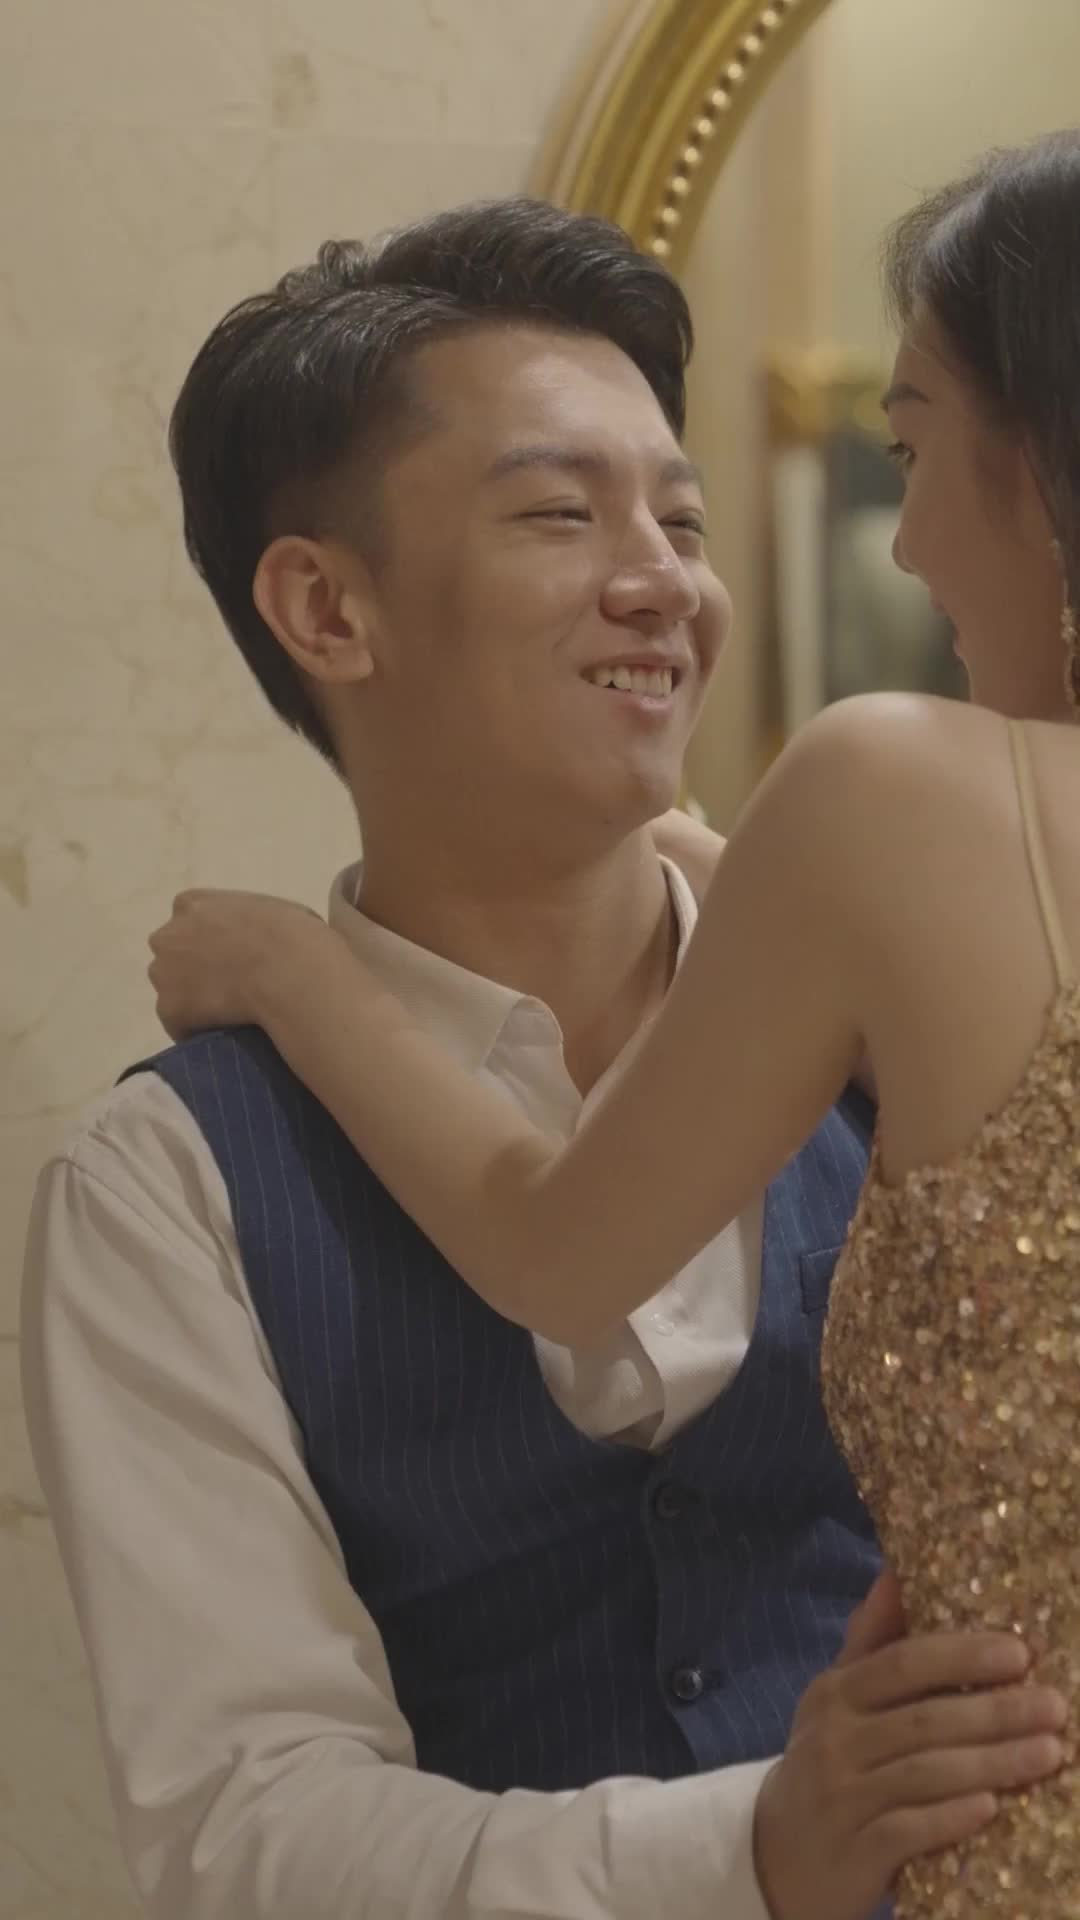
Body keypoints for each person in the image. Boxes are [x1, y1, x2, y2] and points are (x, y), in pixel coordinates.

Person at [21, 196, 1065, 1920]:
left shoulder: (917, 996)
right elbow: (244, 1834)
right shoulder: (167, 1191)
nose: (667, 581)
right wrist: (748, 1850)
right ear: (326, 610)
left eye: (682, 518)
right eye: (562, 515)